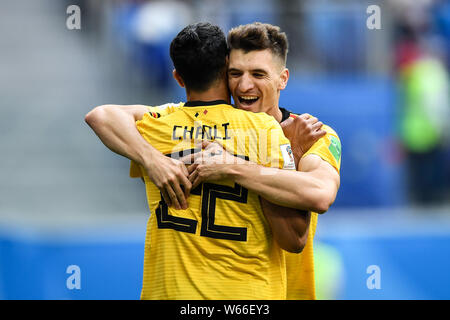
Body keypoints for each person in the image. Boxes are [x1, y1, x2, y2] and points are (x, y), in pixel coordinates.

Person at [86, 22, 341, 300]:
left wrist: (233, 165)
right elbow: (103, 116)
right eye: (235, 73)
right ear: (223, 72)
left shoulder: (317, 134)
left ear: (283, 79)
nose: (245, 85)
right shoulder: (253, 132)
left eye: (258, 74)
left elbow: (320, 194)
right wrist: (152, 160)